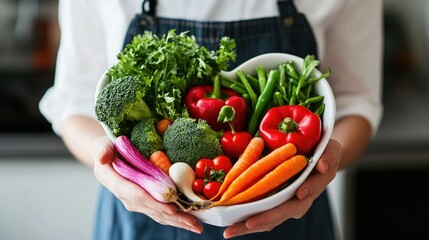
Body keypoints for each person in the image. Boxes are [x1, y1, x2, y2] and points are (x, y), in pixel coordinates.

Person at [39, 0, 383, 239]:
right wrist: (116, 170)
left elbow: (356, 103)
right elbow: (76, 105)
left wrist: (319, 167)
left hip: (290, 211)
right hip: (143, 216)